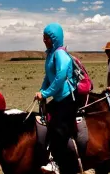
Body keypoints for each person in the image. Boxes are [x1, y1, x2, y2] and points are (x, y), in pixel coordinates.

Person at [35, 23, 78, 174]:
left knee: (57, 128)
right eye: (43, 37)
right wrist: (41, 90)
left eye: (46, 37)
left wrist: (46, 94)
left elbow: (60, 77)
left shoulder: (60, 54)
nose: (43, 40)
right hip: (59, 98)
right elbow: (48, 76)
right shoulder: (51, 53)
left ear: (54, 38)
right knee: (42, 120)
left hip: (67, 98)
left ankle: (58, 163)